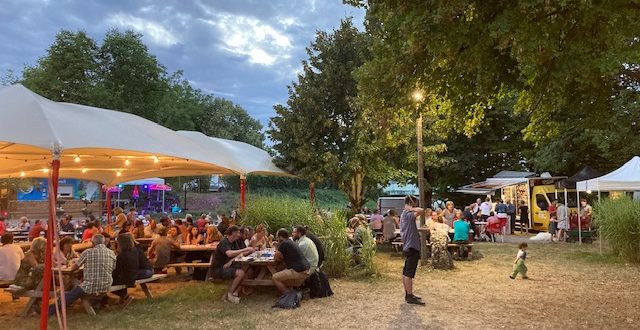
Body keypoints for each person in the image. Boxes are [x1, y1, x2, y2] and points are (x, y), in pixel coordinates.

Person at [49, 235, 116, 315]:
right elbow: (113, 268)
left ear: (92, 243)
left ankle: (49, 310)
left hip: (90, 287)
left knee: (71, 294)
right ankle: (96, 303)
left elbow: (74, 268)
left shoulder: (87, 252)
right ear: (104, 242)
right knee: (74, 287)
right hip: (106, 285)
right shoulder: (111, 253)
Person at [210, 226, 255, 303]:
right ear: (233, 233)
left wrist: (231, 261)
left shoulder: (234, 242)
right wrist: (246, 249)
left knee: (248, 271)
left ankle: (235, 292)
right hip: (218, 269)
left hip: (228, 266)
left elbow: (239, 254)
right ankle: (229, 294)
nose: (239, 234)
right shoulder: (224, 242)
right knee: (241, 273)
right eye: (238, 232)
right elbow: (229, 253)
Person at [400, 195, 425, 305]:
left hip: (408, 245)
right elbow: (422, 210)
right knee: (409, 273)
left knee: (406, 271)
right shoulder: (408, 214)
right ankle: (409, 296)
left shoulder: (404, 215)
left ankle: (408, 294)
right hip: (411, 246)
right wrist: (411, 208)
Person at [272, 228, 310, 294]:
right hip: (305, 269)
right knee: (281, 271)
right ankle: (289, 292)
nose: (277, 239)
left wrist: (278, 246)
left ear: (280, 237)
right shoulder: (291, 242)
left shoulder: (284, 244)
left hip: (299, 271)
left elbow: (276, 257)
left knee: (275, 277)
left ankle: (289, 295)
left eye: (277, 237)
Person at [111, 233, 139, 306]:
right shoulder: (134, 251)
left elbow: (117, 270)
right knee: (118, 278)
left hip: (127, 278)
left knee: (108, 282)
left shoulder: (122, 255)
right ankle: (123, 297)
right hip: (133, 275)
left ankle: (125, 296)